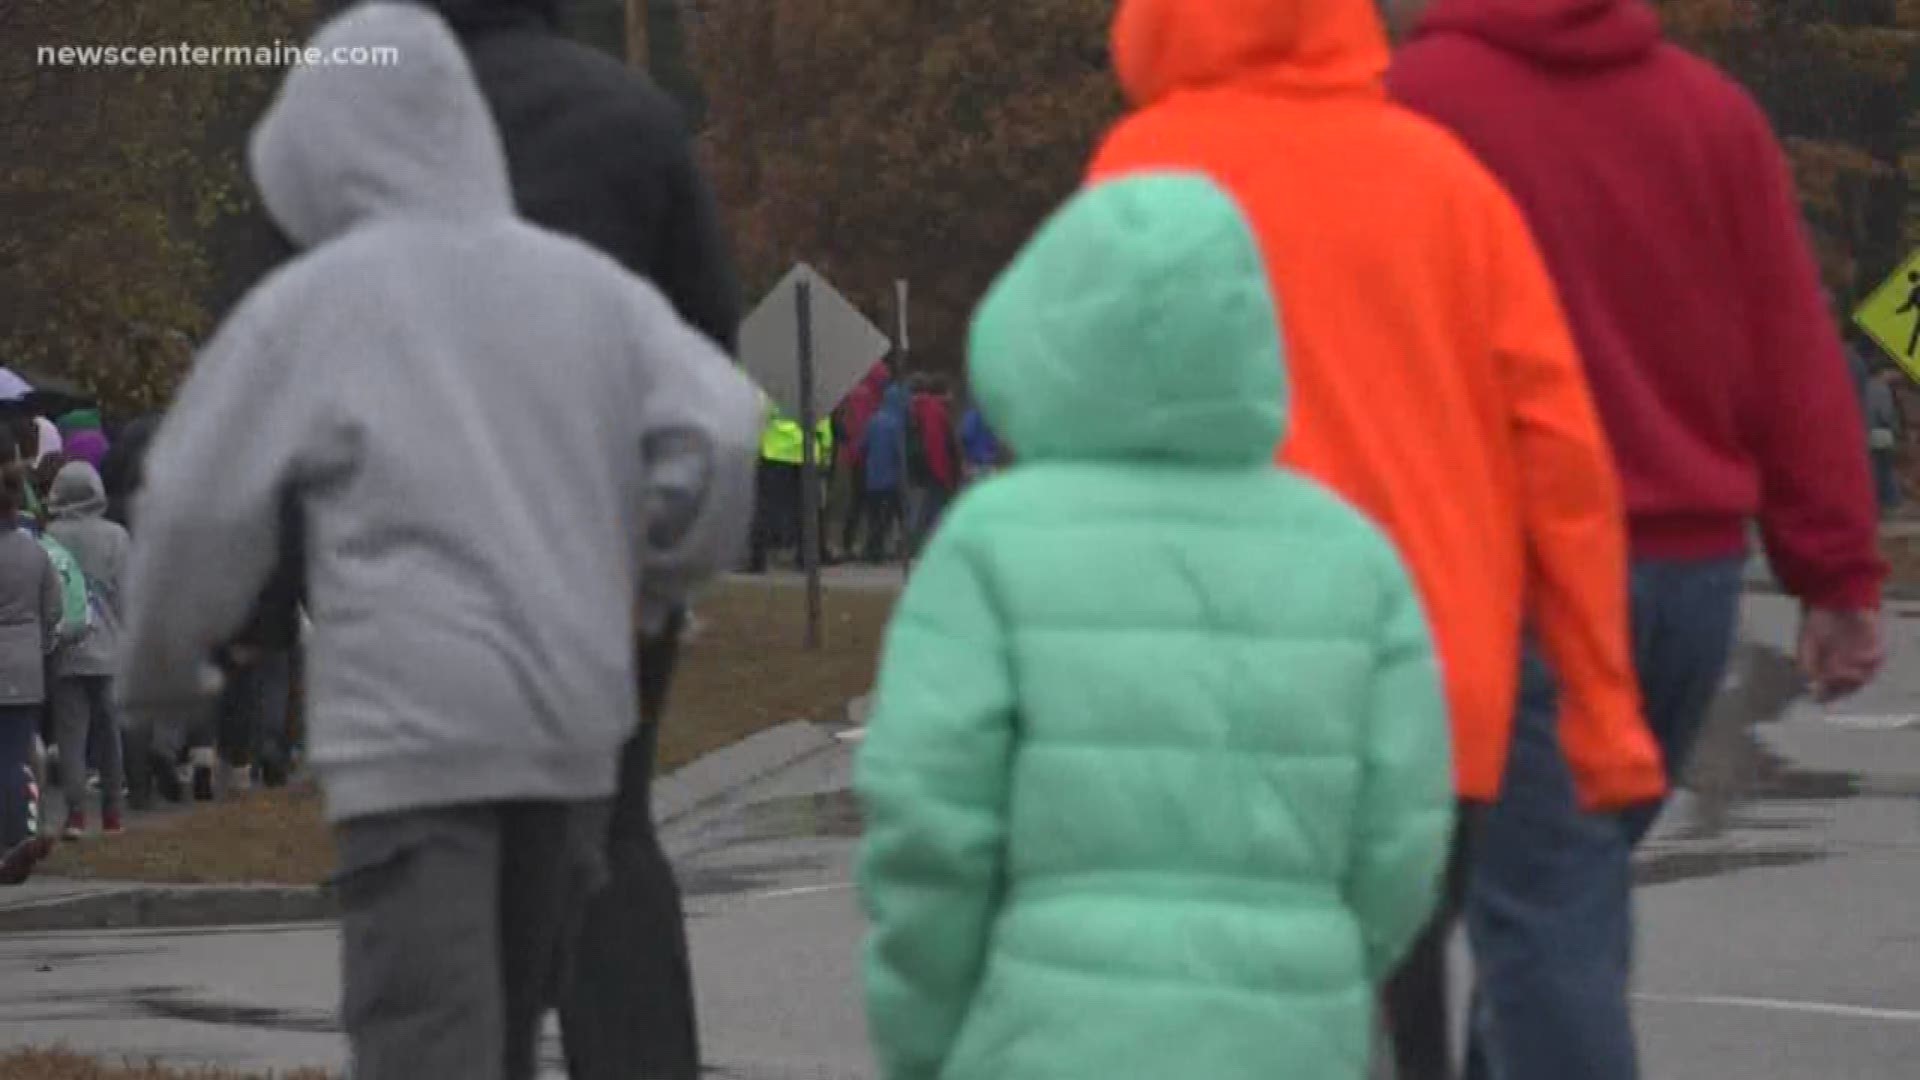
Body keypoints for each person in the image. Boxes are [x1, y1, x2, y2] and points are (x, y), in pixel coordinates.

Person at [114, 9, 760, 1080]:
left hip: (408, 704)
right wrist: (658, 576)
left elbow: (205, 483)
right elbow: (721, 410)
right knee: (588, 898)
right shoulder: (609, 208)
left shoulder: (322, 253)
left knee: (430, 1017)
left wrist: (186, 662)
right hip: (578, 661)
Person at [1085, 3, 1664, 1074]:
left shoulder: (1141, 171)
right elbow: (1561, 455)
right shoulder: (1446, 184)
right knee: (1402, 995)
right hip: (1434, 689)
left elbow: (1085, 426)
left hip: (1220, 681)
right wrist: (1601, 705)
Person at [858, 172, 1453, 1080]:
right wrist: (1327, 970)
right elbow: (1403, 834)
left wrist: (922, 1035)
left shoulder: (986, 549)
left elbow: (930, 830)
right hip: (1290, 1040)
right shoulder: (1355, 560)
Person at [1387, 1, 1889, 1077]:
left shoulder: (1416, 108)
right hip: (1687, 581)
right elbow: (1794, 360)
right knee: (1568, 900)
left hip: (1520, 571)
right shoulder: (1711, 116)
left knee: (1544, 918)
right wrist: (1835, 574)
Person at [302, 1, 746, 1069]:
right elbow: (706, 346)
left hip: (411, 553)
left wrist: (271, 598)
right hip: (599, 550)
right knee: (613, 833)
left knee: (438, 850)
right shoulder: (630, 120)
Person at [46, 462, 130, 839]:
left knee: (71, 737)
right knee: (110, 734)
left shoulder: (50, 536)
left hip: (66, 647)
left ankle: (76, 815)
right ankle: (113, 814)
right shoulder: (116, 536)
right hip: (110, 648)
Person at [0, 443, 63, 885]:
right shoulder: (35, 552)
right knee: (15, 755)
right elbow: (53, 609)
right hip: (24, 665)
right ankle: (17, 834)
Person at [905, 376, 959, 554]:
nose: (953, 397)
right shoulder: (935, 411)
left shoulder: (919, 409)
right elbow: (938, 444)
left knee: (923, 508)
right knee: (932, 509)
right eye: (950, 393)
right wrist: (944, 473)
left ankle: (918, 545)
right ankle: (925, 546)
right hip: (937, 470)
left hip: (920, 468)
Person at [858, 384, 911, 564]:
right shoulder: (897, 424)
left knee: (874, 516)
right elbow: (899, 452)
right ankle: (880, 551)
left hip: (872, 477)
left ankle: (871, 550)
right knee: (888, 517)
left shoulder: (873, 420)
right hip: (891, 479)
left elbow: (862, 446)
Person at [1868, 367, 1903, 512]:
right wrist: (1896, 428)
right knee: (1886, 468)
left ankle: (1876, 501)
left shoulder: (1867, 385)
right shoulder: (1882, 390)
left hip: (1867, 432)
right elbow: (1886, 415)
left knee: (1874, 467)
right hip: (1881, 433)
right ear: (1886, 372)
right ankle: (1891, 502)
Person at [958, 399, 1001, 483]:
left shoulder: (972, 414)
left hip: (976, 457)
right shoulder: (989, 414)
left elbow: (967, 434)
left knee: (978, 482)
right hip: (989, 454)